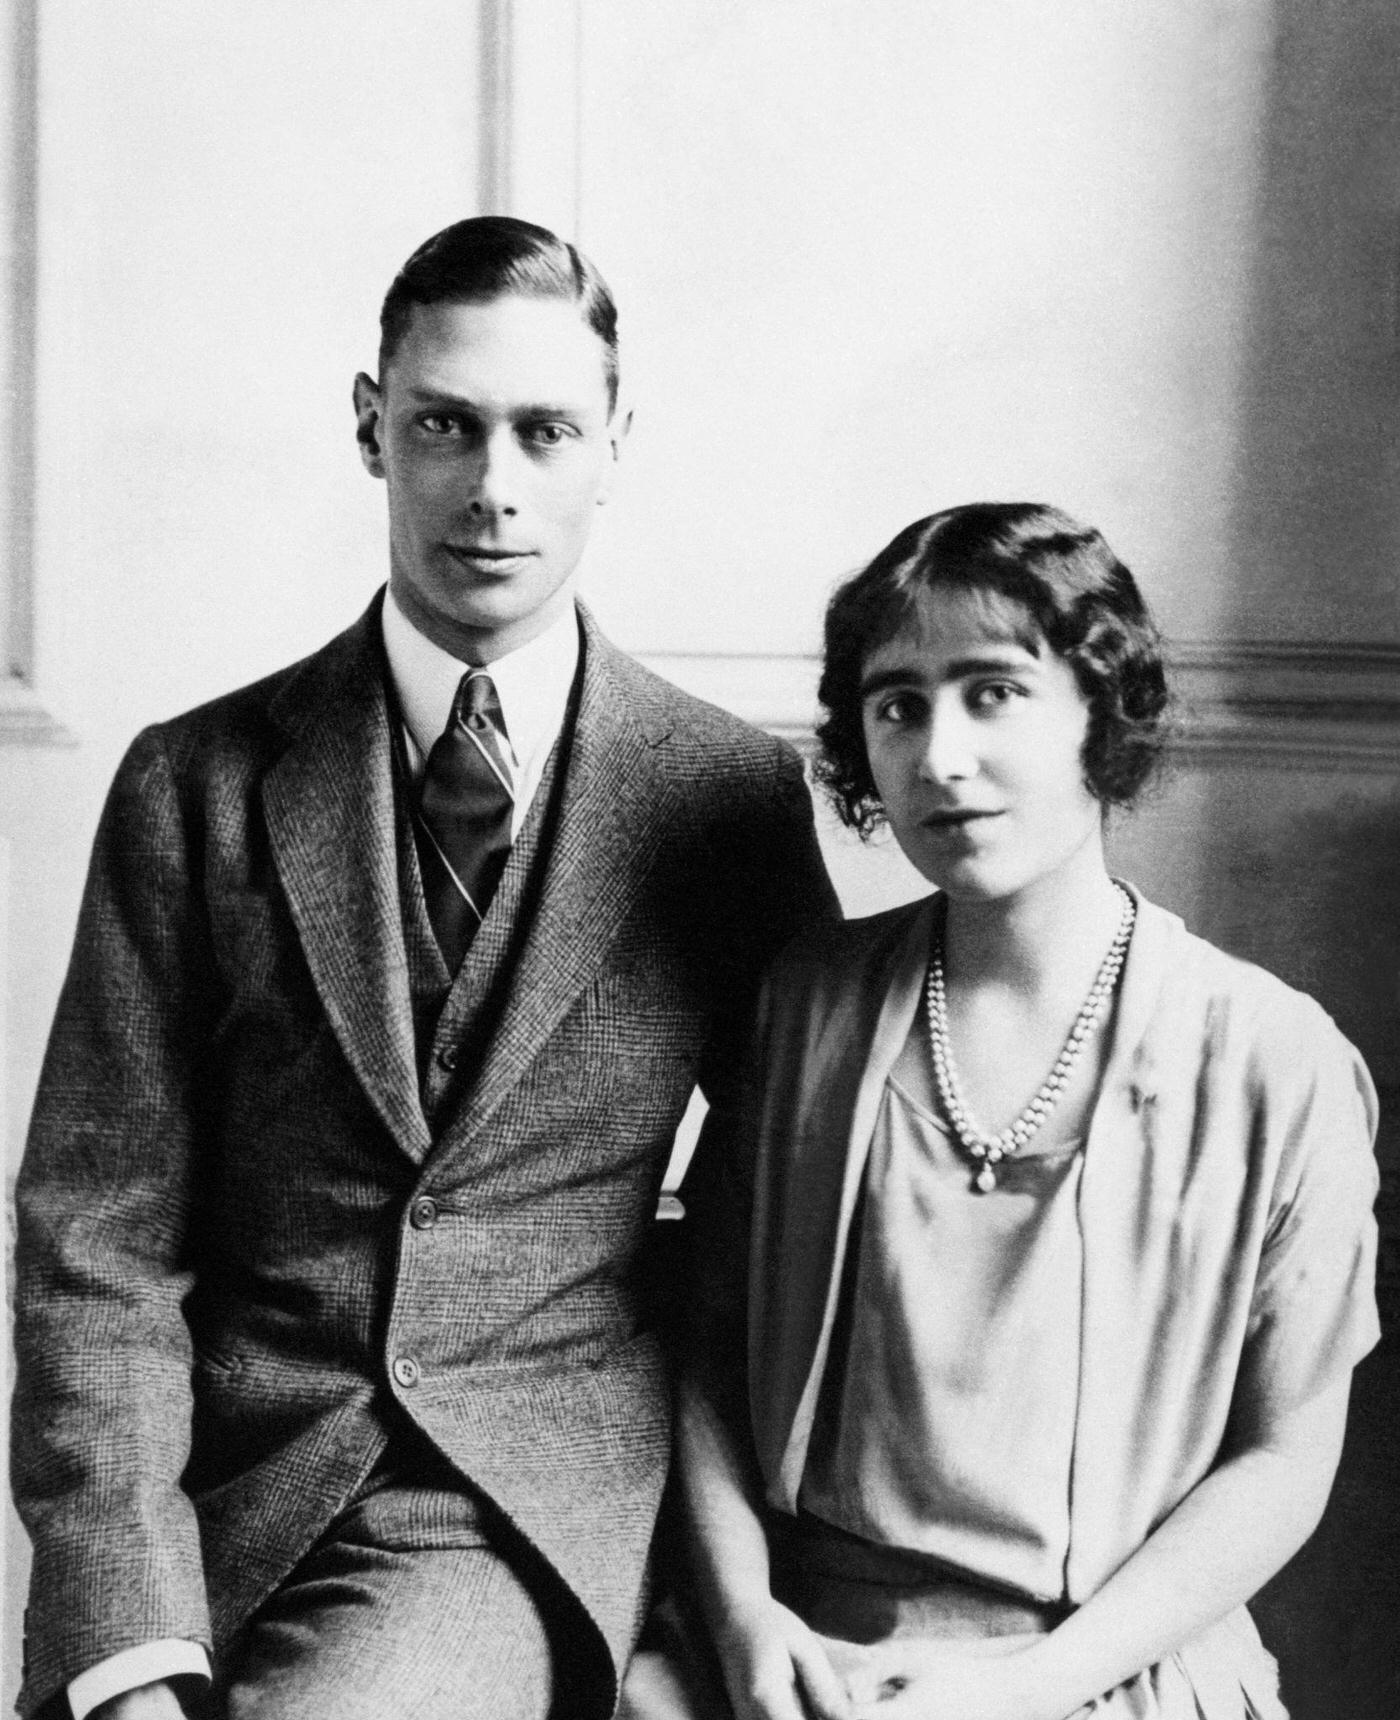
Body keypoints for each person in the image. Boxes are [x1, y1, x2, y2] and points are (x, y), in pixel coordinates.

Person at [11, 216, 835, 1720]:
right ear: (369, 424)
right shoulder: (194, 784)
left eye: (546, 431)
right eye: (446, 425)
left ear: (617, 445)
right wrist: (129, 1647)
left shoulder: (723, 801)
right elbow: (95, 1243)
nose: (495, 487)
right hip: (214, 1495)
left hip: (518, 1503)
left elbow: (795, 1209)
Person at [629, 503, 1380, 1719]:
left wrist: (1032, 1686)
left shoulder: (1270, 1058)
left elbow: (1284, 1454)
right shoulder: (805, 1005)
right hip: (796, 1653)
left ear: (1099, 708)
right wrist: (745, 1618)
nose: (938, 755)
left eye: (991, 693)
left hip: (1106, 1663)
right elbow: (705, 1352)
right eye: (897, 705)